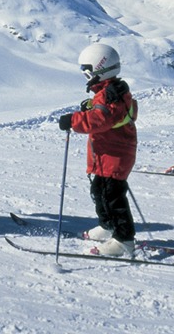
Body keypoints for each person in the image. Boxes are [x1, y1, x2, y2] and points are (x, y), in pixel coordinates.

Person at [58, 43, 138, 258]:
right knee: (99, 191)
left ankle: (124, 240)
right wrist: (90, 106)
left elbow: (101, 119)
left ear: (99, 69)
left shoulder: (109, 94)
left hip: (115, 154)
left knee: (113, 196)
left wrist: (74, 120)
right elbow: (103, 112)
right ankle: (108, 226)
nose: (85, 76)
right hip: (107, 154)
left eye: (87, 71)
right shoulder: (109, 91)